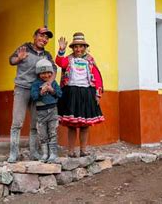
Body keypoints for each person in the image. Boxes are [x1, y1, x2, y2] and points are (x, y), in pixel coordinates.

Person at [8, 27, 57, 163]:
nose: (44, 39)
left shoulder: (46, 55)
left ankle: (34, 152)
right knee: (17, 122)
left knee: (36, 123)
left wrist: (48, 83)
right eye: (41, 36)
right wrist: (19, 58)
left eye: (46, 38)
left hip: (38, 91)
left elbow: (54, 69)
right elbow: (11, 60)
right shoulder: (25, 47)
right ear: (35, 36)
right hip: (22, 89)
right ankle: (13, 153)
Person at [56, 32, 104, 157]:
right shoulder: (69, 59)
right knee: (72, 125)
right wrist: (61, 50)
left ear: (85, 47)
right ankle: (71, 151)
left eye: (81, 46)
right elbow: (60, 63)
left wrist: (98, 94)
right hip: (71, 94)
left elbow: (97, 77)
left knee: (85, 125)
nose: (78, 49)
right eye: (76, 46)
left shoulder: (90, 60)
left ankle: (83, 150)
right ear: (72, 48)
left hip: (86, 93)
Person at [30, 59, 62, 163]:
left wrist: (52, 90)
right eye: (43, 73)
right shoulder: (36, 84)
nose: (46, 75)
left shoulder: (53, 83)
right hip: (41, 113)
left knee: (52, 132)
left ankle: (53, 153)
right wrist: (41, 92)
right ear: (39, 73)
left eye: (49, 72)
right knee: (42, 134)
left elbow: (59, 94)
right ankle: (45, 153)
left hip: (53, 111)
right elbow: (33, 97)